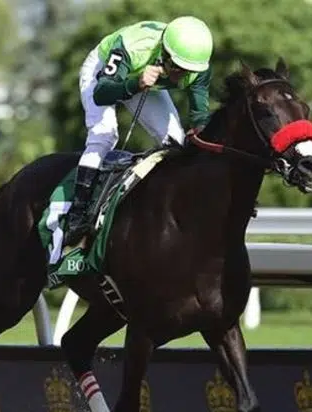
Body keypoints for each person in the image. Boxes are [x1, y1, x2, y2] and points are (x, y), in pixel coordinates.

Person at [63, 16, 215, 248]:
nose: (181, 76)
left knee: (176, 141)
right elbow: (101, 94)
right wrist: (136, 84)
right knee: (105, 134)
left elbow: (199, 118)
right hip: (103, 75)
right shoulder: (133, 47)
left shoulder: (198, 65)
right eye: (177, 68)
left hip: (143, 78)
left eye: (188, 71)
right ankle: (77, 214)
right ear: (164, 53)